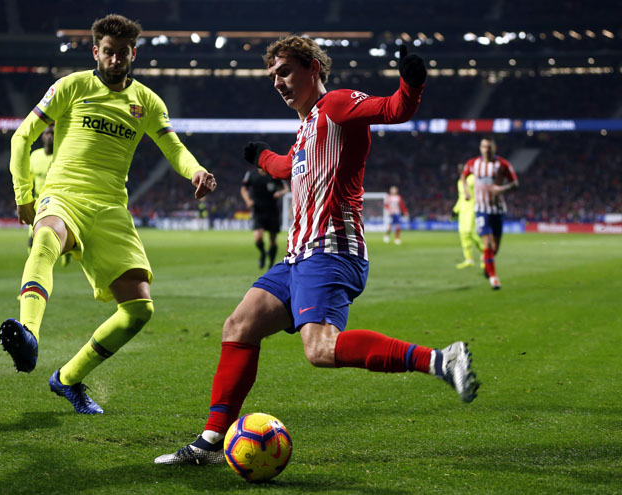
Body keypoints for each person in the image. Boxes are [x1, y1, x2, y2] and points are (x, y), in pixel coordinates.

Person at [155, 37, 479, 466]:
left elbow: (395, 109)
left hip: (331, 251)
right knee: (238, 326)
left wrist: (411, 83)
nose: (278, 83)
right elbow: (288, 166)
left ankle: (441, 359)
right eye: (272, 76)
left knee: (321, 349)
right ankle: (212, 442)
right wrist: (262, 157)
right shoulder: (307, 126)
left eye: (285, 72)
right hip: (297, 258)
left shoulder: (339, 105)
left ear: (313, 69)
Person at [0, 13, 217, 414]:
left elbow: (173, 148)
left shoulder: (148, 102)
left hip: (111, 207)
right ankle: (27, 335)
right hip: (63, 193)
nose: (115, 59)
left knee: (139, 310)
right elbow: (22, 136)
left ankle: (67, 379)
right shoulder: (71, 86)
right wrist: (24, 197)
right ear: (95, 51)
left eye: (122, 53)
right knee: (46, 238)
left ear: (133, 53)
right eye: (108, 52)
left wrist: (196, 171)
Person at [461, 137, 518, 290]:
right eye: (484, 147)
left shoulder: (503, 164)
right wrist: (466, 191)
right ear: (480, 148)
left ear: (495, 148)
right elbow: (463, 176)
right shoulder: (473, 163)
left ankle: (486, 260)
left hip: (497, 210)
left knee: (495, 248)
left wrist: (502, 189)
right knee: (488, 243)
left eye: (489, 147)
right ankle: (494, 278)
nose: (486, 149)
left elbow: (515, 183)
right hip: (481, 209)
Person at [27, 125, 72, 266]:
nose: (50, 136)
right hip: (38, 203)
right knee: (31, 240)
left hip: (56, 202)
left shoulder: (61, 156)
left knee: (57, 234)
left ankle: (67, 251)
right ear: (42, 136)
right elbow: (28, 179)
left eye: (53, 133)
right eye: (47, 133)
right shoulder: (35, 156)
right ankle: (35, 266)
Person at [240, 167, 289, 269]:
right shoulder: (251, 174)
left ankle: (271, 262)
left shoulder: (273, 174)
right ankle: (263, 253)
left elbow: (286, 188)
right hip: (258, 210)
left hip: (272, 211)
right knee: (258, 237)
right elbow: (243, 189)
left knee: (273, 240)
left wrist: (280, 193)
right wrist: (248, 200)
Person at [453, 163, 485, 269]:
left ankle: (485, 253)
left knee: (469, 232)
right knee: (463, 233)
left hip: (472, 208)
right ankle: (469, 259)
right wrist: (455, 210)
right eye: (459, 169)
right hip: (462, 210)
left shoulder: (472, 179)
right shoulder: (459, 182)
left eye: (462, 169)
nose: (461, 171)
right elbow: (461, 197)